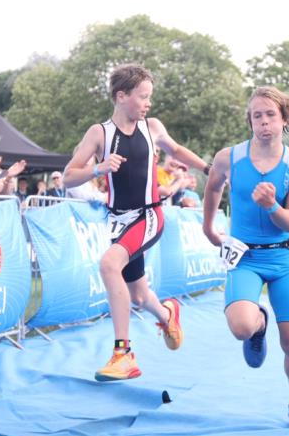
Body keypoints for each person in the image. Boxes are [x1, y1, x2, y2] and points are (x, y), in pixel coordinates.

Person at [63, 63, 210, 382]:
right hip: (118, 221)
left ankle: (123, 354)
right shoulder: (98, 133)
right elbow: (68, 176)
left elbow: (178, 149)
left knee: (108, 265)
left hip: (149, 215)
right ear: (121, 96)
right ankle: (167, 313)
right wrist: (98, 169)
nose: (148, 103)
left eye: (149, 97)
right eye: (143, 97)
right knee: (140, 296)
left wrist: (208, 169)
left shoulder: (152, 127)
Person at [202, 86, 289, 428]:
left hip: (281, 259)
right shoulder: (228, 157)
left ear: (284, 119)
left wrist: (271, 206)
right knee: (241, 327)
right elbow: (212, 188)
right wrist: (209, 228)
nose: (263, 123)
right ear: (249, 120)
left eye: (270, 115)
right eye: (256, 116)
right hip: (244, 257)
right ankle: (258, 324)